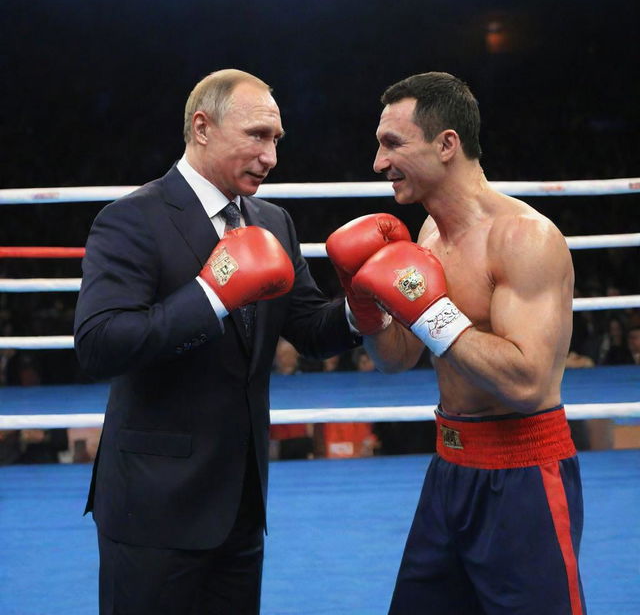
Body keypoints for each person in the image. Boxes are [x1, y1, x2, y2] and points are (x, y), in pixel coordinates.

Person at [74, 69, 360, 614]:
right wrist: (210, 294)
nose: (271, 156)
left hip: (241, 505)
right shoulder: (131, 219)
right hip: (153, 507)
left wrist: (361, 309)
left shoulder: (274, 221)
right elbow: (99, 343)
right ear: (202, 128)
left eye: (276, 140)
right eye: (256, 135)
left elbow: (309, 331)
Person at [326, 72, 585, 614]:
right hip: (449, 468)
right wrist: (366, 308)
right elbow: (397, 359)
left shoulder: (524, 238)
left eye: (393, 144)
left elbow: (528, 380)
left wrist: (432, 313)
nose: (378, 162)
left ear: (447, 144)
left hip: (523, 476)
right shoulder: (426, 237)